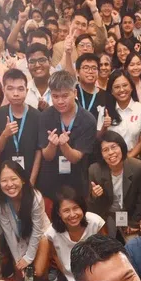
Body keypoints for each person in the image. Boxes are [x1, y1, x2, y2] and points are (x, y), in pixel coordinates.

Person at [39, 69, 97, 200]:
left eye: (65, 96)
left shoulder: (87, 120)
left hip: (76, 181)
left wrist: (64, 146)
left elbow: (76, 158)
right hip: (51, 181)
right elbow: (47, 156)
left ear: (74, 93)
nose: (60, 101)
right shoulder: (45, 116)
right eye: (55, 96)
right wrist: (52, 145)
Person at [0, 159, 50, 281]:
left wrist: (28, 258)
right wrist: (19, 260)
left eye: (14, 179)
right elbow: (9, 234)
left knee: (39, 271)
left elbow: (37, 231)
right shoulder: (0, 204)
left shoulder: (36, 198)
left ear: (23, 180)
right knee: (20, 273)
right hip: (20, 238)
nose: (9, 184)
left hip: (40, 235)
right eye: (4, 180)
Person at [89, 131, 141, 240]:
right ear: (101, 154)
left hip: (131, 215)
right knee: (105, 248)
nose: (110, 153)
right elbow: (93, 207)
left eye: (113, 147)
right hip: (108, 216)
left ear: (122, 147)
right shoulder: (95, 170)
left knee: (133, 246)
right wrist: (94, 195)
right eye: (105, 150)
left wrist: (134, 223)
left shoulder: (137, 167)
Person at [45, 185, 105, 281]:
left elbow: (106, 250)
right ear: (59, 213)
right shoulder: (52, 233)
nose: (73, 215)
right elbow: (55, 255)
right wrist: (68, 277)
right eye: (66, 211)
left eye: (76, 208)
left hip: (99, 275)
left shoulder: (96, 222)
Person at [0, 68, 44, 179]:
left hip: (31, 174)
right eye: (10, 89)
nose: (15, 94)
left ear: (27, 91)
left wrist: (32, 182)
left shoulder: (37, 116)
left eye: (20, 89)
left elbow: (39, 152)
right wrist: (5, 134)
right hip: (6, 176)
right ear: (4, 90)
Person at [104, 69, 141, 158]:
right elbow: (99, 138)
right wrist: (104, 126)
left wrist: (128, 158)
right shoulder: (105, 110)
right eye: (116, 87)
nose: (121, 90)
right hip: (111, 159)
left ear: (131, 87)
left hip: (134, 159)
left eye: (125, 85)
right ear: (111, 91)